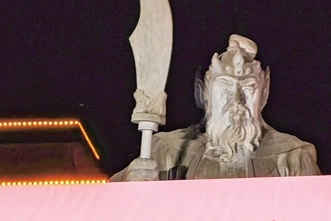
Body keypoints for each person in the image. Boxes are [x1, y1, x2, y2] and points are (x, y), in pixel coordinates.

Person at [112, 35, 319, 181]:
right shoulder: (168, 150)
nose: (237, 100)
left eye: (248, 88)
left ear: (264, 94)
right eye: (225, 87)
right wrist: (129, 185)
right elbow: (106, 208)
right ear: (205, 93)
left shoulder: (292, 155)